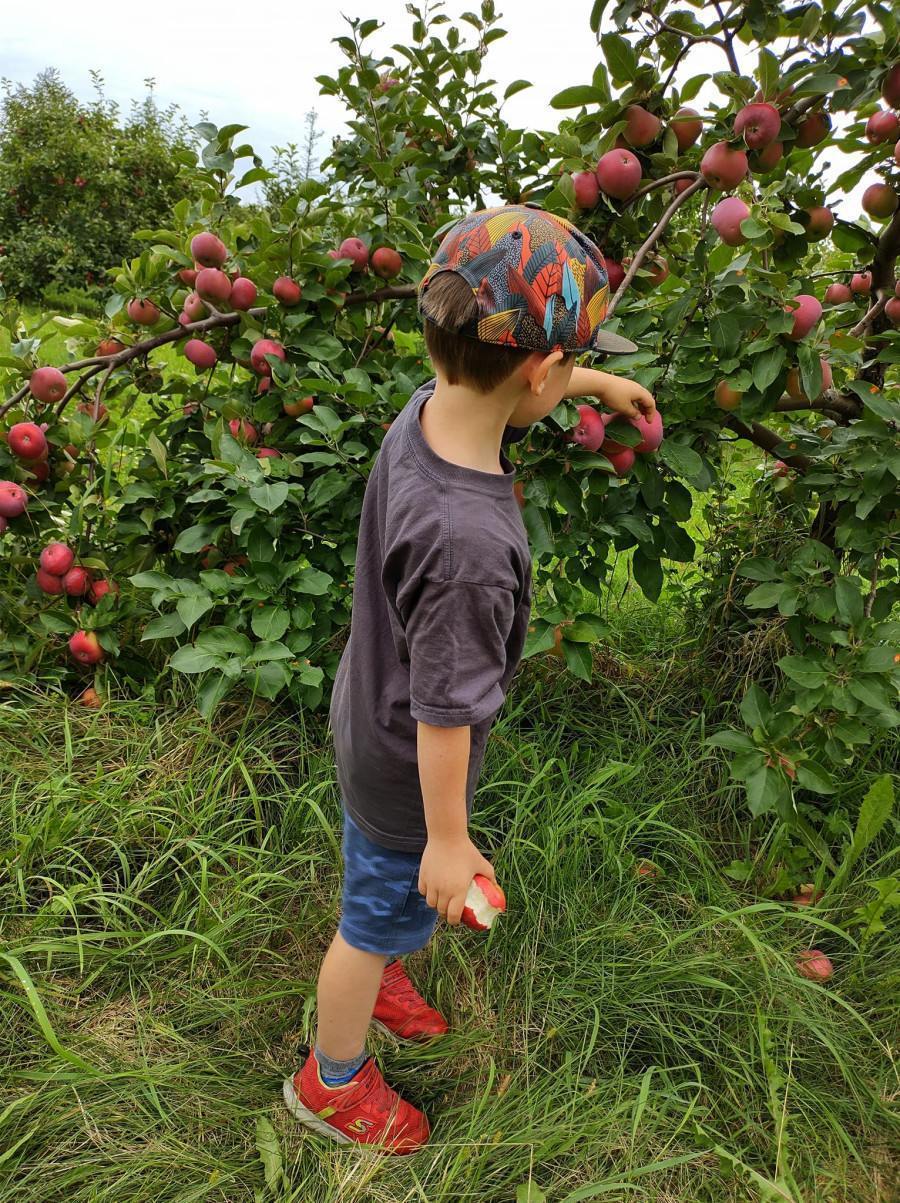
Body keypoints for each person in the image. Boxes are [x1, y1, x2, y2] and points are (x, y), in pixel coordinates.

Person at [283, 204, 656, 1154]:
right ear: (536, 369)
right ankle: (331, 1079)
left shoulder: (433, 405)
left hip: (364, 709)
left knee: (384, 889)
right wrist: (447, 842)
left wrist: (592, 380)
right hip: (409, 763)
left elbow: (501, 379)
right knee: (367, 920)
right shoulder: (469, 546)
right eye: (570, 362)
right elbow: (448, 710)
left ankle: (391, 946)